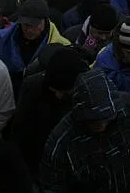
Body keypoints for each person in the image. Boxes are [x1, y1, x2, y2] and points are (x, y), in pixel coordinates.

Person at [39, 68, 130, 193]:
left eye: (106, 119)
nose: (101, 126)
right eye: (92, 121)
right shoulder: (62, 141)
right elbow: (53, 187)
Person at [12, 45, 89, 179]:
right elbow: (20, 130)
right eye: (54, 91)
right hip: (36, 159)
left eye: (65, 93)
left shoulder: (86, 93)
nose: (59, 96)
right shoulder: (32, 88)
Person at [0, 0, 69, 96]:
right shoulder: (1, 39)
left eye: (35, 25)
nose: (30, 30)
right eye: (26, 25)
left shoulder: (63, 47)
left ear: (45, 21)